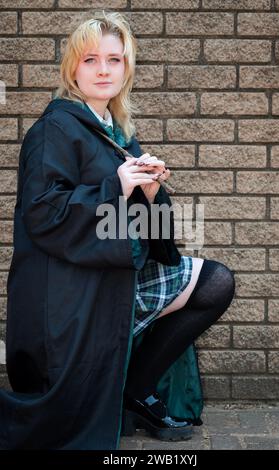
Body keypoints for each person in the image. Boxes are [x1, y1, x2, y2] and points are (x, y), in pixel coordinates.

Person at [0, 11, 235, 450]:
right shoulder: (55, 128)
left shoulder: (118, 133)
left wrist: (148, 193)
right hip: (72, 293)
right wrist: (116, 185)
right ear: (72, 67)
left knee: (215, 282)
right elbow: (44, 214)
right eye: (90, 59)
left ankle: (135, 389)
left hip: (115, 271)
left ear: (127, 67)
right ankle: (125, 393)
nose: (103, 70)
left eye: (114, 59)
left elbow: (151, 229)